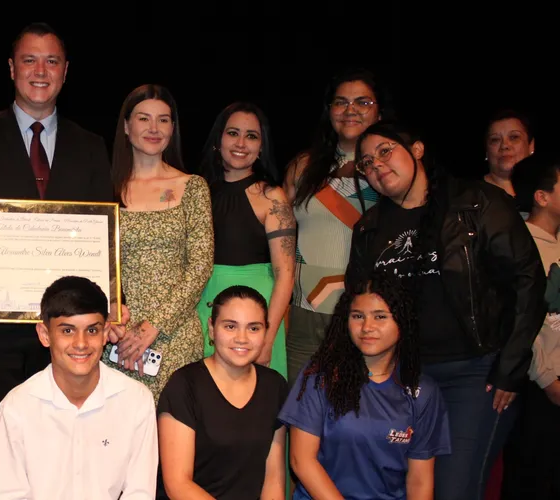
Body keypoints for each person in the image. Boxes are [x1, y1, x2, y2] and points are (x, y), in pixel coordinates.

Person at [345, 121, 546, 499]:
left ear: (417, 149)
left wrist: (510, 367)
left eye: (385, 151)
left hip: (472, 375)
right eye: (367, 163)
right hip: (403, 377)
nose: (376, 166)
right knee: (399, 488)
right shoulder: (369, 228)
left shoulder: (476, 202)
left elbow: (528, 281)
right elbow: (358, 303)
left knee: (453, 490)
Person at [0, 22, 115, 471]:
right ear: (11, 68)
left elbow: (101, 234)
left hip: (71, 334)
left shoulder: (92, 146)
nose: (40, 71)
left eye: (52, 61)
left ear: (65, 71)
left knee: (68, 453)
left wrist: (112, 302)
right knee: (0, 450)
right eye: (29, 59)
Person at [280, 273, 451, 500]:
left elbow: (419, 482)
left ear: (403, 321)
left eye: (380, 317)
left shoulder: (423, 392)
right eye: (358, 316)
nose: (367, 327)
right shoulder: (319, 376)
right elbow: (301, 460)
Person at [0, 276, 158, 499]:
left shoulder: (136, 400)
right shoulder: (16, 407)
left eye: (92, 330)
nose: (81, 343)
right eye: (67, 331)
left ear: (106, 333)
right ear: (44, 335)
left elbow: (140, 493)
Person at [102, 83, 214, 402]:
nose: (154, 128)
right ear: (126, 126)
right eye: (143, 118)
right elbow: (95, 262)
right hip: (116, 336)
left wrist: (154, 326)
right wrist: (114, 318)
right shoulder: (104, 188)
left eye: (163, 120)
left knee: (174, 441)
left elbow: (200, 266)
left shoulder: (192, 187)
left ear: (172, 129)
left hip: (174, 336)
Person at [282, 68, 388, 386]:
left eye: (363, 102)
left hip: (365, 315)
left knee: (354, 417)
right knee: (297, 409)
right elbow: (280, 239)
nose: (351, 109)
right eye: (341, 102)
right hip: (303, 314)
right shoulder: (303, 166)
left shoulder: (392, 168)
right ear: (329, 111)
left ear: (379, 111)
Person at [157, 285, 287, 499]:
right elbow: (178, 485)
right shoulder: (184, 385)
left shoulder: (274, 386)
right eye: (230, 326)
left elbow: (273, 480)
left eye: (254, 328)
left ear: (266, 331)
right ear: (212, 327)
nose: (242, 338)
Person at [197, 101, 294, 376]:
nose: (241, 143)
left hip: (255, 319)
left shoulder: (271, 197)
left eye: (251, 136)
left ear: (261, 146)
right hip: (203, 312)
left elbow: (286, 275)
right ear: (219, 139)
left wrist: (268, 336)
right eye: (233, 133)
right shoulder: (196, 190)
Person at [501, 154, 560, 499]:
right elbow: (519, 319)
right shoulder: (520, 244)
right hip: (539, 387)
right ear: (542, 196)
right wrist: (547, 378)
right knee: (532, 479)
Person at [483, 108, 535, 198]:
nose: (504, 146)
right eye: (495, 140)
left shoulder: (549, 194)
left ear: (531, 146)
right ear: (487, 151)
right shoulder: (467, 196)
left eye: (514, 137)